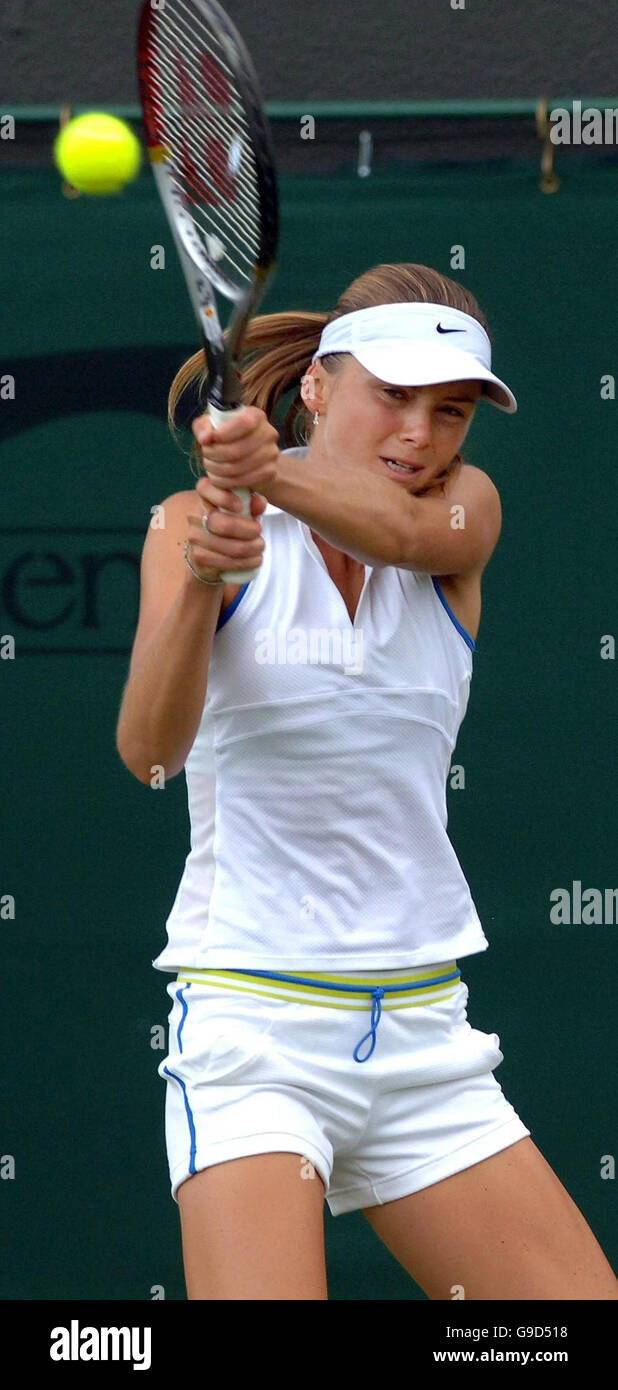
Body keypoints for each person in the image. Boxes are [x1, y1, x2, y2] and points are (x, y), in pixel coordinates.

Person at [116, 263, 618, 1301]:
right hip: (255, 1036)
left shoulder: (463, 516)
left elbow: (392, 530)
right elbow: (150, 751)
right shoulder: (185, 523)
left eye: (451, 409)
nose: (421, 434)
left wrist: (268, 473)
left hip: (425, 1038)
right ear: (317, 388)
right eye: (394, 394)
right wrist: (208, 578)